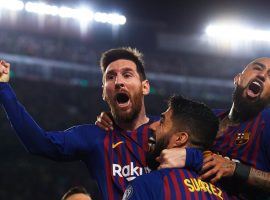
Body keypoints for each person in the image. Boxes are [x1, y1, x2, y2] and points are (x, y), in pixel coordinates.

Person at [0, 48, 164, 199]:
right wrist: (3, 88)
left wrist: (189, 156)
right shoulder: (94, 137)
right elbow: (40, 143)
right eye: (111, 77)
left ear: (145, 87)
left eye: (127, 75)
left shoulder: (169, 129)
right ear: (103, 93)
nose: (118, 82)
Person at [96, 57, 270, 199]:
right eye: (258, 68)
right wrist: (117, 118)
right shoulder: (209, 118)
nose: (262, 75)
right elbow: (163, 128)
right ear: (238, 78)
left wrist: (234, 168)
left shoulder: (265, 124)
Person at [122, 95, 236, 200]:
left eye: (162, 121)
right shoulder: (226, 192)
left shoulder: (147, 185)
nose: (152, 126)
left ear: (180, 138)